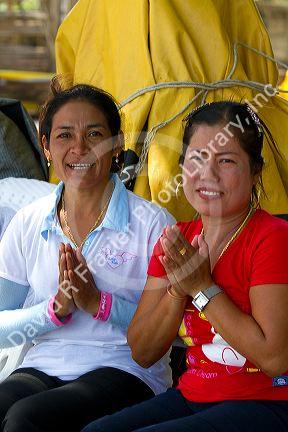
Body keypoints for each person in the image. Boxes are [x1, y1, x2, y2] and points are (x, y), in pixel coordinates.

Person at [82, 101, 288, 432]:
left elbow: (275, 359)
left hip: (267, 403)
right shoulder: (177, 239)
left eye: (227, 161)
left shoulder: (273, 238)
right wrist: (179, 288)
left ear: (255, 172)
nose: (208, 174)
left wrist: (202, 288)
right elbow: (142, 351)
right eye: (197, 159)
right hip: (193, 396)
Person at [0, 80, 175, 431]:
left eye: (94, 135)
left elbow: (167, 332)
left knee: (26, 419)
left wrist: (98, 303)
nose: (80, 148)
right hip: (43, 365)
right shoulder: (28, 221)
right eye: (64, 136)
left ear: (117, 145)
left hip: (126, 369)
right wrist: (55, 310)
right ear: (46, 147)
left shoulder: (152, 224)